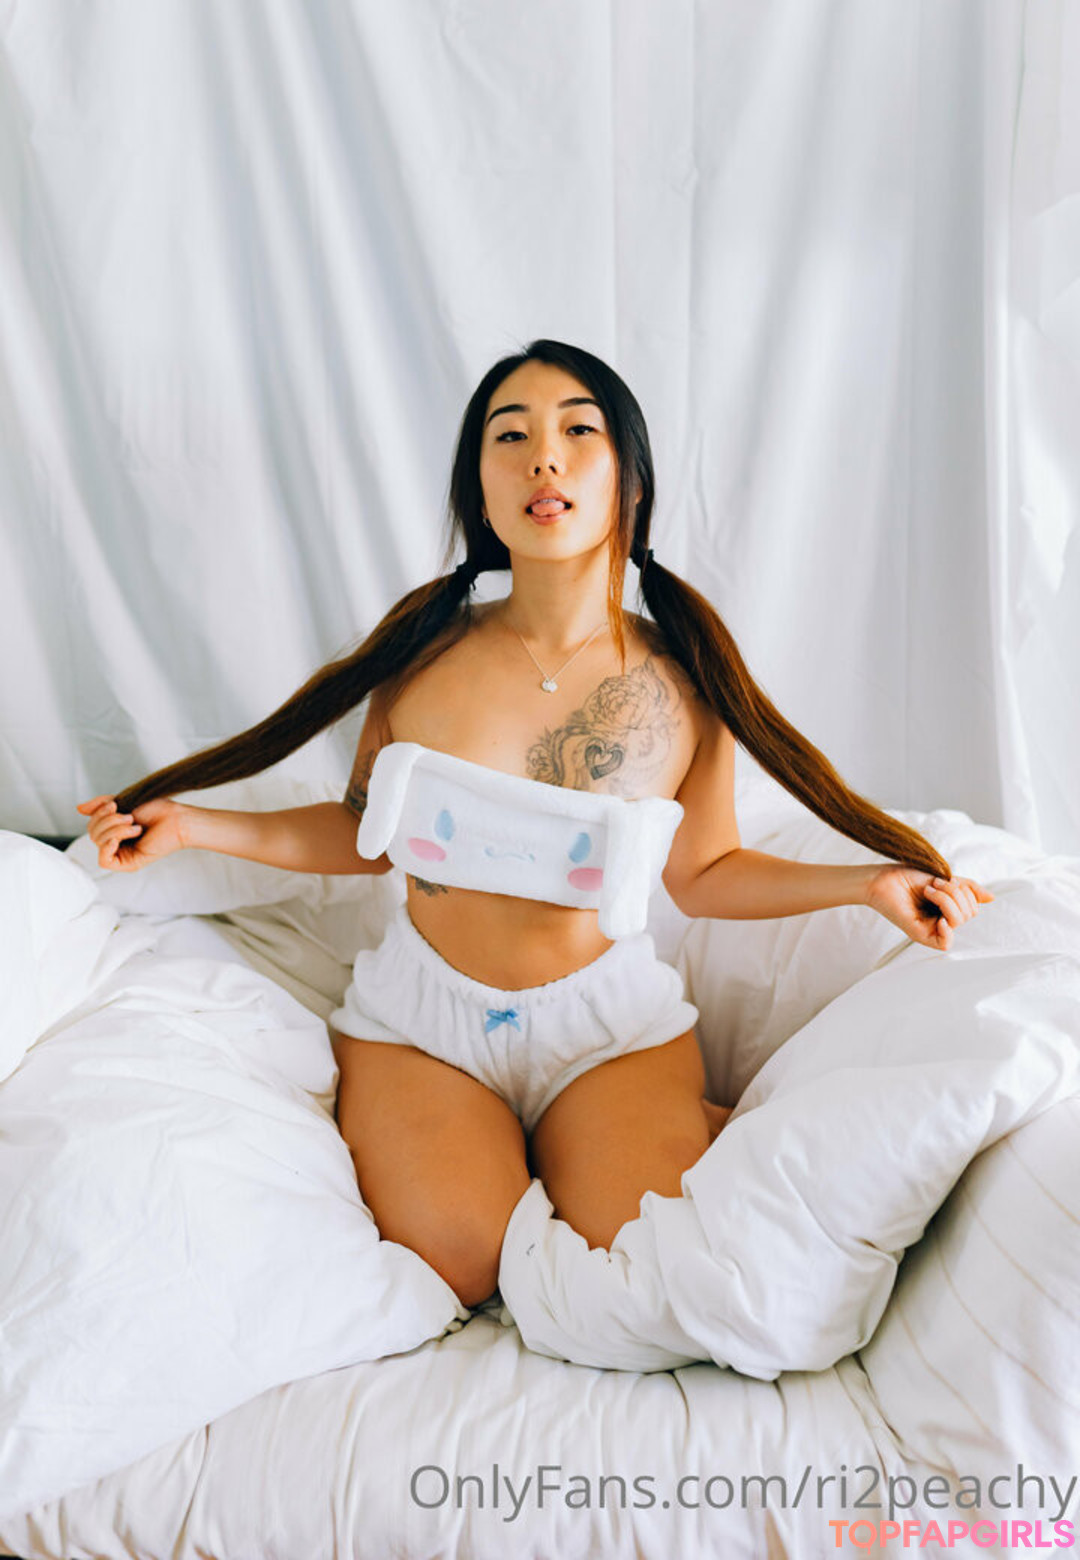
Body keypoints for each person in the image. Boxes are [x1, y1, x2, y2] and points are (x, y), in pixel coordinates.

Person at [78, 338, 993, 1315]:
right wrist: (194, 826)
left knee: (637, 1240)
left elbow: (707, 871)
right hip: (421, 1027)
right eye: (509, 437)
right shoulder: (422, 653)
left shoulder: (684, 678)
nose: (543, 458)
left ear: (627, 479)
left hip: (606, 1031)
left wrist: (867, 884)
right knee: (463, 1263)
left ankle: (678, 1122)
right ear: (479, 486)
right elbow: (361, 831)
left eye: (577, 432)